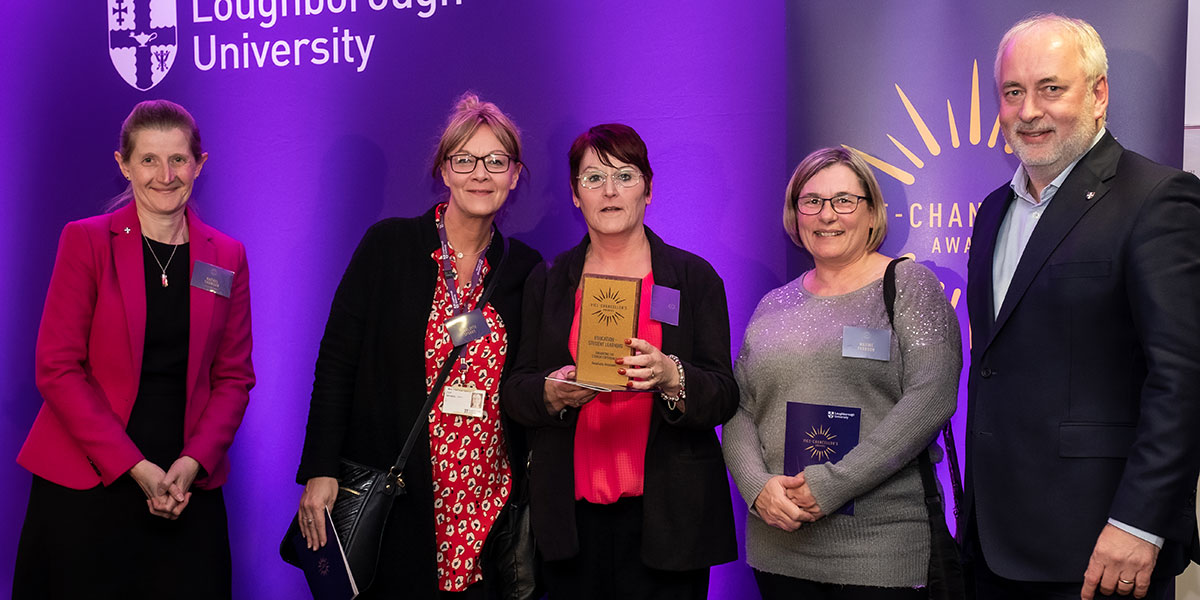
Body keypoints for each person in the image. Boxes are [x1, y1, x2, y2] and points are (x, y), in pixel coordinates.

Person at [964, 14, 1200, 600]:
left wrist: (1138, 522)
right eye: (1013, 92)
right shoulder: (993, 211)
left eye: (1051, 88)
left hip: (1101, 548)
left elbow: (1183, 378)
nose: (1028, 111)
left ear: (1099, 95)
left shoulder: (1156, 199)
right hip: (993, 544)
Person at [295, 93, 542, 599]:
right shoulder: (389, 247)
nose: (481, 174)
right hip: (403, 494)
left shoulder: (525, 269)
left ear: (514, 176)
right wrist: (320, 468)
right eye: (465, 160)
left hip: (486, 501)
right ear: (444, 171)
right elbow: (337, 361)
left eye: (496, 162)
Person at [12, 99, 255, 599]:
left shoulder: (225, 256)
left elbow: (234, 377)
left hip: (186, 486)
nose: (165, 175)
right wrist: (135, 467)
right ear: (123, 164)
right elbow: (57, 368)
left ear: (199, 163)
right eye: (148, 159)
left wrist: (193, 463)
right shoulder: (87, 242)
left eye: (178, 160)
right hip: (88, 484)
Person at [501, 123, 738, 600]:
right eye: (593, 178)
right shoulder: (547, 281)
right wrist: (550, 392)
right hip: (569, 523)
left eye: (625, 176)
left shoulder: (692, 278)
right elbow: (516, 390)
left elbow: (725, 394)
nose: (609, 191)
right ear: (574, 195)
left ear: (648, 189)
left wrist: (674, 377)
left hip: (668, 520)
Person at [722, 147, 961, 599]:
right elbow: (739, 407)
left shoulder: (909, 285)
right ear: (795, 215)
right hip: (779, 546)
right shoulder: (773, 304)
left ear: (872, 213)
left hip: (879, 551)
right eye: (811, 201)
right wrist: (756, 489)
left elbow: (932, 398)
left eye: (844, 201)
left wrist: (831, 485)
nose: (826, 215)